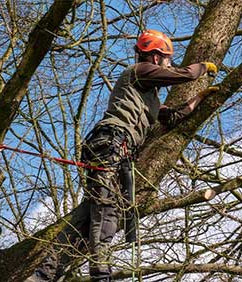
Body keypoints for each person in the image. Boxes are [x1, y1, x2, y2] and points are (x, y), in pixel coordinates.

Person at [27, 29, 218, 282]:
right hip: (111, 143)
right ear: (156, 57)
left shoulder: (147, 95)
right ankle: (101, 273)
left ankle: (43, 275)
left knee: (87, 217)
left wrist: (200, 97)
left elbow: (171, 117)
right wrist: (204, 66)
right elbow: (182, 75)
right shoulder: (139, 71)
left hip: (115, 149)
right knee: (107, 210)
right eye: (167, 60)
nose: (169, 65)